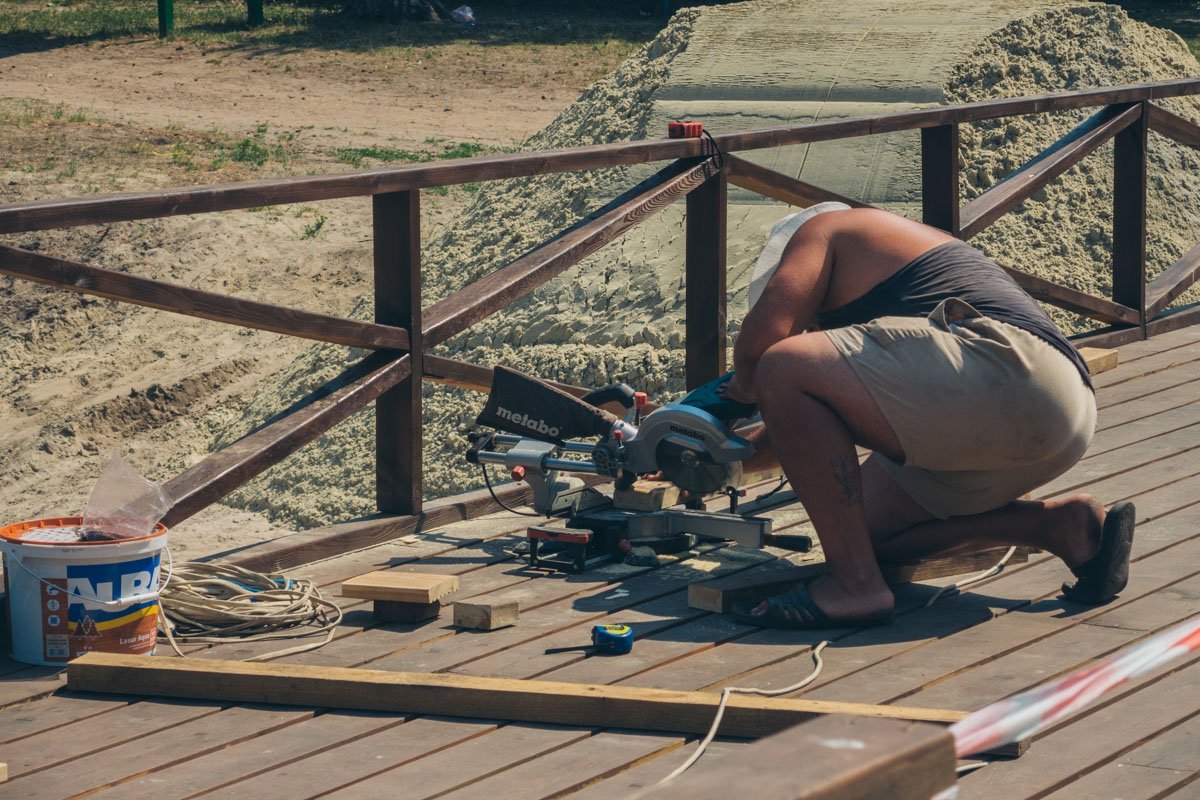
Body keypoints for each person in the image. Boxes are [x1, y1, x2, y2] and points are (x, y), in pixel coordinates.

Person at [713, 205, 1135, 629]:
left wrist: (729, 397)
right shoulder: (896, 264)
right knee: (859, 534)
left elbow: (759, 354)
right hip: (1061, 411)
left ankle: (853, 584)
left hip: (1008, 367)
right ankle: (1057, 527)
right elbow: (802, 428)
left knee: (782, 364)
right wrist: (716, 459)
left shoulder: (822, 230)